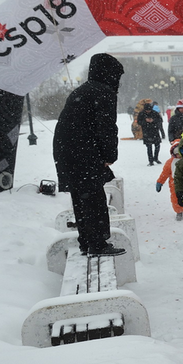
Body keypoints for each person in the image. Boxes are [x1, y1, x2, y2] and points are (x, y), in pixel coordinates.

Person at [52, 53, 126, 257]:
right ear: (110, 74)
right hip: (83, 149)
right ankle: (98, 243)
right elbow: (107, 127)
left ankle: (87, 241)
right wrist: (109, 155)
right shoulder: (103, 92)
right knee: (94, 196)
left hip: (67, 149)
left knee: (81, 194)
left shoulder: (84, 90)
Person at [156, 139, 183, 221]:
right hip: (174, 184)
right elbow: (165, 173)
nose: (179, 155)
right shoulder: (170, 162)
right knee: (176, 198)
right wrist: (160, 182)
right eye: (176, 153)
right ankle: (179, 211)